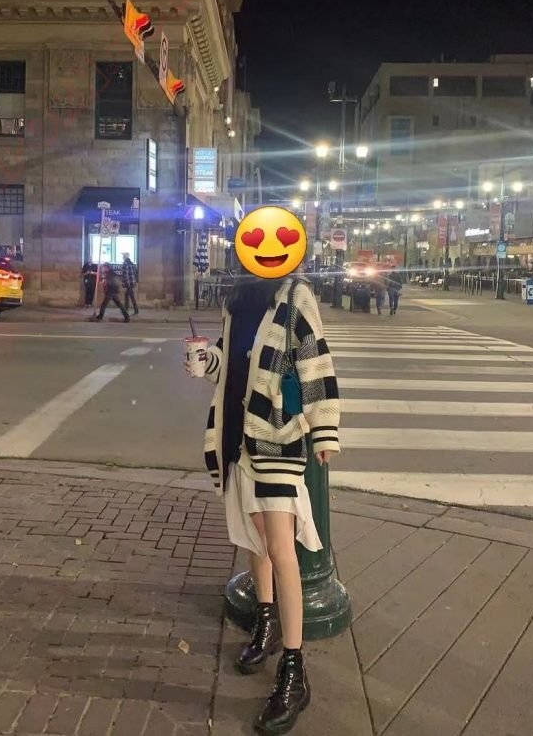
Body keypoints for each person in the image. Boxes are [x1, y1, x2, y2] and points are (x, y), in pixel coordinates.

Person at [188, 274, 340, 735]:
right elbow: (229, 363)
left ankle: (294, 668)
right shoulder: (237, 298)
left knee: (281, 549)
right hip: (238, 438)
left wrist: (324, 429)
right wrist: (205, 360)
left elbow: (315, 360)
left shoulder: (295, 295)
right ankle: (267, 619)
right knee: (255, 541)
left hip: (276, 440)